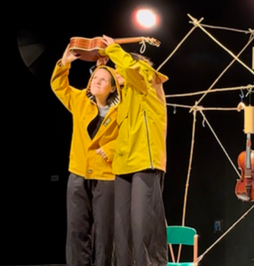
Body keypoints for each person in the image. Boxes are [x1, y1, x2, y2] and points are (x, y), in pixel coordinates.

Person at [50, 44, 121, 266]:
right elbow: (59, 86)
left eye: (102, 79)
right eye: (94, 77)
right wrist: (65, 62)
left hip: (106, 175)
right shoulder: (81, 101)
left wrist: (109, 151)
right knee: (76, 230)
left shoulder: (123, 108)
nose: (96, 81)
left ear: (112, 88)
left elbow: (129, 137)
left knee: (104, 233)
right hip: (78, 174)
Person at [100, 34, 169, 266]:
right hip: (123, 164)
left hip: (144, 161)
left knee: (143, 227)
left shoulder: (146, 79)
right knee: (123, 230)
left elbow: (134, 71)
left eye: (118, 66)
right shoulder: (125, 95)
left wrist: (114, 50)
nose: (115, 71)